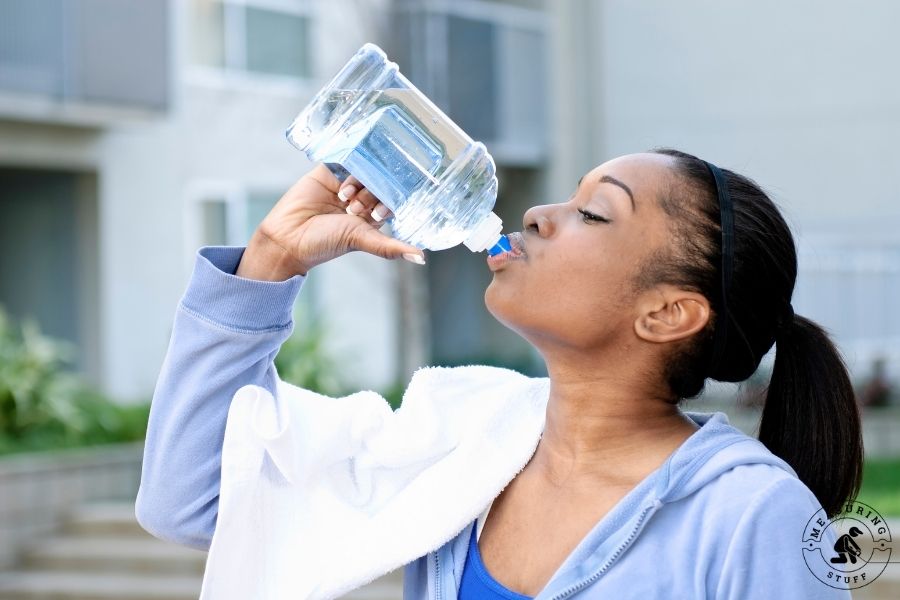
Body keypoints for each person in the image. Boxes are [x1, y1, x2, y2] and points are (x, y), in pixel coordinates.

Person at [135, 149, 863, 598]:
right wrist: (269, 260)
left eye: (594, 214)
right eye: (568, 196)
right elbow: (192, 501)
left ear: (668, 314)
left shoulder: (751, 517)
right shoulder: (463, 439)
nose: (542, 215)